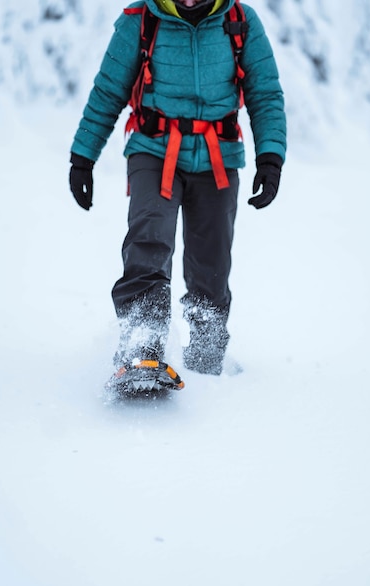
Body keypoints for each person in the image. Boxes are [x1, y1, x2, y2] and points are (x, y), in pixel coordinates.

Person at [69, 0, 286, 385]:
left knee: (211, 266)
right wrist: (83, 157)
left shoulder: (240, 21)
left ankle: (206, 363)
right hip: (154, 149)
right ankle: (141, 348)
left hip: (218, 156)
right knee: (149, 239)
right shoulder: (141, 19)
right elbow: (108, 90)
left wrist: (270, 158)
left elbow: (264, 93)